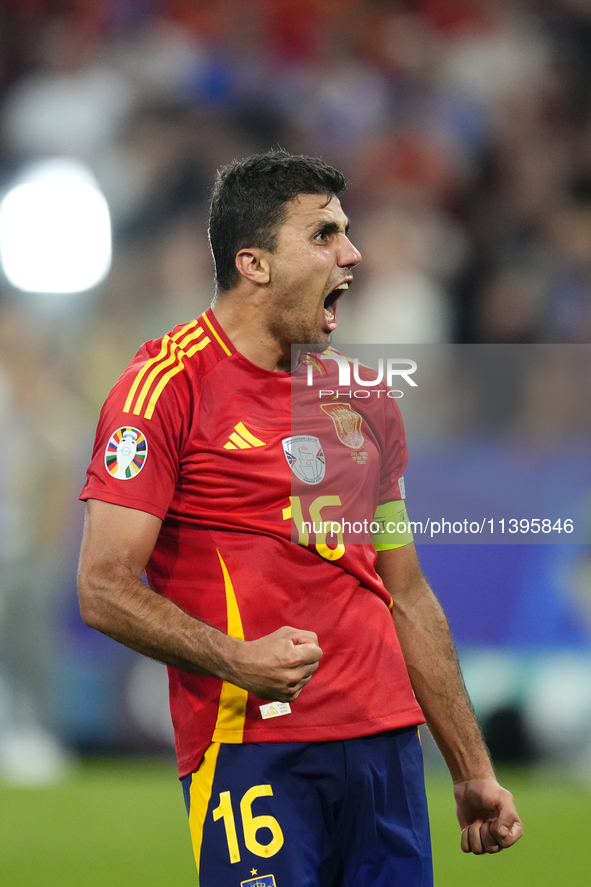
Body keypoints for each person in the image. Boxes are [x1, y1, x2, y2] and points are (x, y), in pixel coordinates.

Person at [77, 149, 522, 886]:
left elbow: (403, 589)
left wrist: (471, 767)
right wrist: (237, 659)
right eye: (323, 235)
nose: (352, 253)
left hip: (384, 744)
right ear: (253, 263)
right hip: (253, 747)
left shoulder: (362, 396)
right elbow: (102, 585)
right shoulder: (162, 389)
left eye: (345, 232)